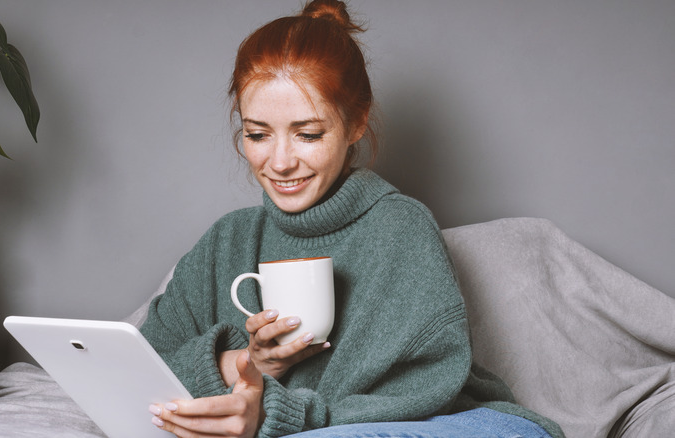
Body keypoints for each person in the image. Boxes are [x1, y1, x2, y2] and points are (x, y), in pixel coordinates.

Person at [140, 1, 565, 437]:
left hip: (455, 424)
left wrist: (268, 412)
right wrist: (247, 363)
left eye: (308, 134)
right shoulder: (227, 241)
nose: (281, 161)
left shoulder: (400, 228)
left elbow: (418, 391)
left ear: (356, 123)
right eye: (257, 134)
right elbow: (141, 365)